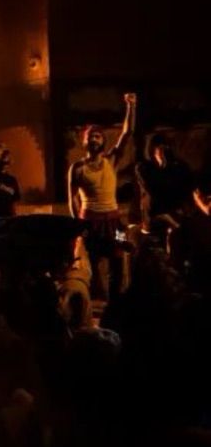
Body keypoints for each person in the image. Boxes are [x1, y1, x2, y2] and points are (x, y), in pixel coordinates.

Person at [68, 93, 136, 302]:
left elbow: (127, 133)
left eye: (98, 136)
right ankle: (99, 307)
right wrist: (78, 226)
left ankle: (117, 304)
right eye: (91, 136)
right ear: (84, 141)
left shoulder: (111, 160)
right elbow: (72, 199)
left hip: (114, 222)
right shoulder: (77, 168)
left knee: (120, 258)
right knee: (96, 266)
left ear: (103, 140)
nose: (95, 139)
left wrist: (131, 106)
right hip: (91, 222)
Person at [136, 131, 194, 242]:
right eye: (160, 146)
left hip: (171, 212)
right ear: (152, 149)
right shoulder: (143, 168)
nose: (164, 149)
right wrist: (163, 166)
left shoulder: (175, 167)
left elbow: (183, 186)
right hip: (154, 216)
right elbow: (154, 189)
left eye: (166, 146)